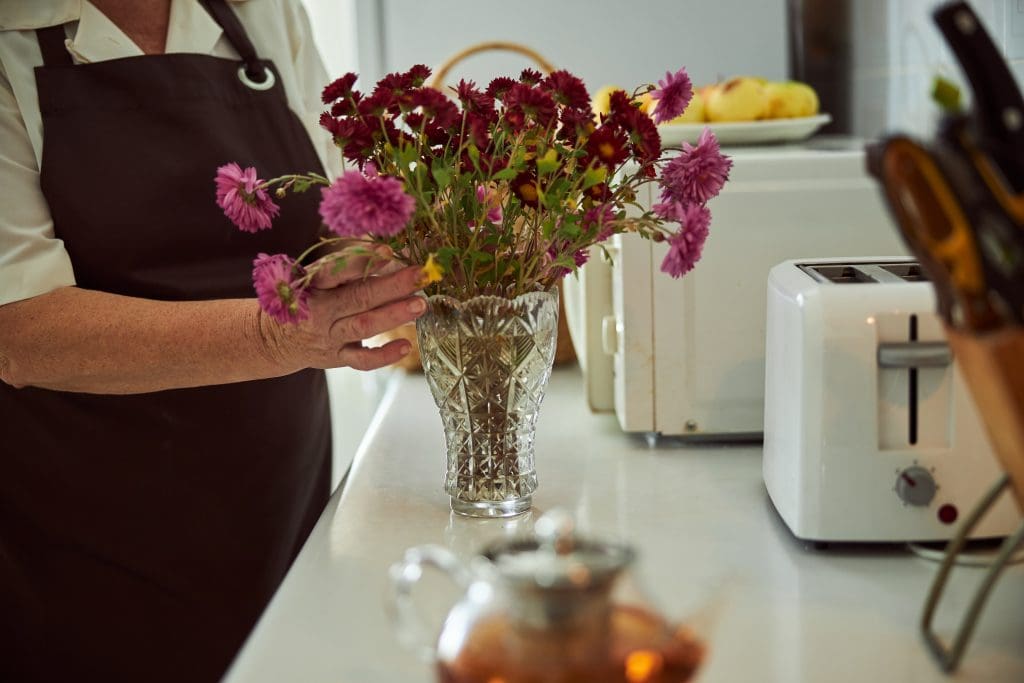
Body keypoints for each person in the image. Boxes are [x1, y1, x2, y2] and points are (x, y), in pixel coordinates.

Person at [0, 1, 425, 680]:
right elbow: (21, 331)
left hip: (280, 508)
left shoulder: (261, 10)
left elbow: (332, 202)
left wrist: (379, 248)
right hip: (90, 552)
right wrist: (276, 333)